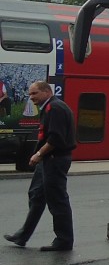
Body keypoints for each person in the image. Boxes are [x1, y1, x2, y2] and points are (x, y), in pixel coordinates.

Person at [4, 81, 78, 251]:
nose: (31, 98)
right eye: (30, 94)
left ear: (46, 91)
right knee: (36, 195)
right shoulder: (50, 107)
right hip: (48, 159)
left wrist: (38, 154)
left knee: (57, 200)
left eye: (34, 94)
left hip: (54, 159)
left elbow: (55, 138)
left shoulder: (55, 108)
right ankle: (22, 235)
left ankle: (64, 240)